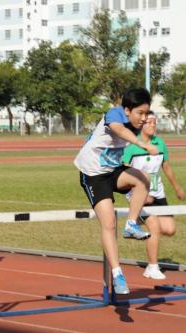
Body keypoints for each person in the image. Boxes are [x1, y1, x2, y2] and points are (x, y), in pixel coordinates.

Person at [74, 88, 159, 295]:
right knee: (109, 223)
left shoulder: (138, 124)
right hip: (93, 174)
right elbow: (118, 130)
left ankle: (131, 224)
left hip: (113, 170)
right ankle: (117, 273)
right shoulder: (114, 113)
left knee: (143, 178)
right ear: (127, 110)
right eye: (140, 113)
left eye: (147, 113)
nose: (144, 118)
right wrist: (141, 144)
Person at [122, 112, 185, 279]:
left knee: (170, 229)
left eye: (154, 123)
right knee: (154, 227)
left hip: (159, 195)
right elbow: (122, 175)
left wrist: (177, 188)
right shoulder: (131, 147)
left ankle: (135, 226)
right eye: (149, 122)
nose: (152, 125)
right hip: (140, 197)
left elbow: (167, 167)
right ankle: (152, 267)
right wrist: (137, 194)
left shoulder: (160, 144)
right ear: (141, 124)